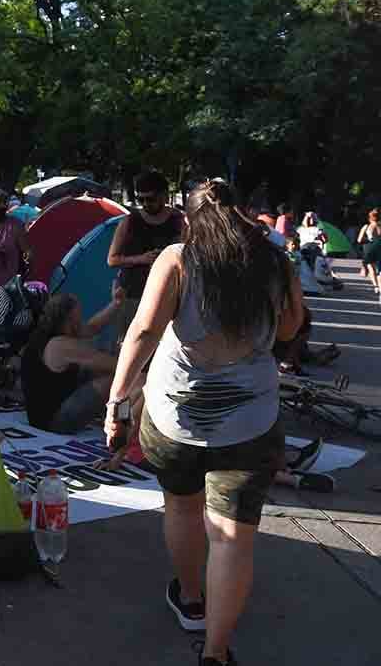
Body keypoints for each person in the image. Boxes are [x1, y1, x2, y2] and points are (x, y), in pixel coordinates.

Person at [104, 179, 304, 666]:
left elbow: (144, 331)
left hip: (176, 418)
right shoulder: (274, 261)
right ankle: (215, 652)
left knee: (182, 509)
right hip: (251, 422)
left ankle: (191, 599)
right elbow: (289, 329)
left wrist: (117, 403)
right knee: (232, 535)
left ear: (189, 220)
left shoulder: (177, 258)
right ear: (239, 212)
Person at [22, 286, 132, 433]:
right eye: (78, 316)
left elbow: (93, 327)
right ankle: (122, 426)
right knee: (119, 380)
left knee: (99, 366)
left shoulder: (47, 331)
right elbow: (115, 366)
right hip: (54, 423)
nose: (81, 320)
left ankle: (115, 416)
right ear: (69, 320)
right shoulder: (60, 345)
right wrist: (143, 361)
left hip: (41, 414)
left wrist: (116, 303)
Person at [108, 170, 186, 344]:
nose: (145, 204)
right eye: (140, 199)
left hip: (169, 296)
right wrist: (141, 259)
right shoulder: (129, 222)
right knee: (131, 344)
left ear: (164, 196)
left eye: (150, 199)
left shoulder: (178, 221)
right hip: (133, 295)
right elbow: (112, 260)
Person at [356, 209, 381, 296]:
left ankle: (376, 286)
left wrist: (368, 239)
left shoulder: (366, 226)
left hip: (369, 248)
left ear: (369, 218)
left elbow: (359, 240)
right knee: (379, 269)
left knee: (371, 268)